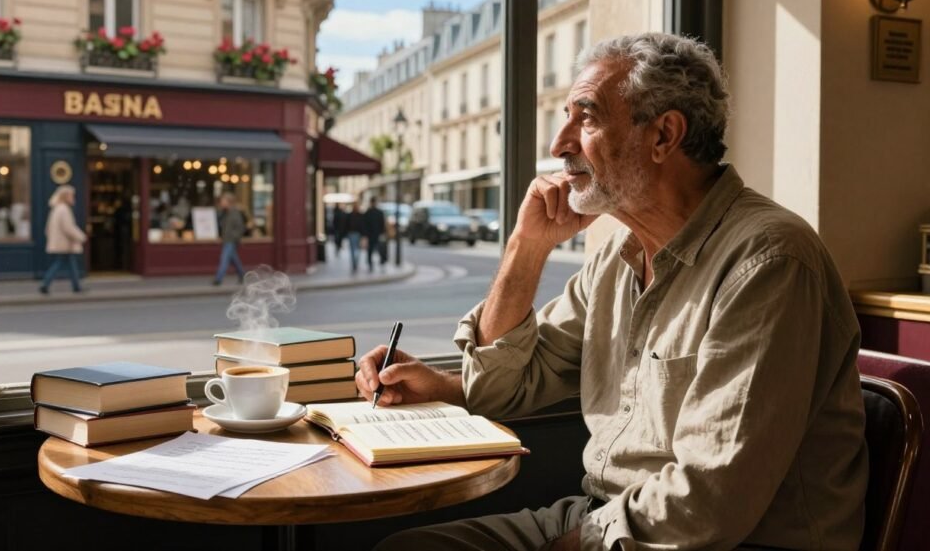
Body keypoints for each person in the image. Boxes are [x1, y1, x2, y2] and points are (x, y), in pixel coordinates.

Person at [357, 32, 867, 550]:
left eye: (586, 117)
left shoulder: (768, 261)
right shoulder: (616, 259)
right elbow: (502, 389)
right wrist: (525, 249)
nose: (559, 146)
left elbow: (709, 501)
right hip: (606, 517)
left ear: (664, 135)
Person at [39, 185, 86, 294]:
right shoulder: (63, 209)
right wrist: (81, 236)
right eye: (71, 195)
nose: (73, 197)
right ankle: (46, 284)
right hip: (64, 243)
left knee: (68, 263)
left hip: (61, 242)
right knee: (61, 263)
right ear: (65, 196)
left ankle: (75, 286)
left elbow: (48, 228)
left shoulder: (56, 209)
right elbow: (68, 227)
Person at [212, 192, 247, 285]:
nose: (221, 203)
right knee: (234, 259)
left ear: (229, 202)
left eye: (223, 201)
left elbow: (240, 228)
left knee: (224, 259)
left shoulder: (235, 213)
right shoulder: (224, 213)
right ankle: (242, 275)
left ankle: (218, 279)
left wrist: (234, 237)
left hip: (231, 240)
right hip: (226, 239)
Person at [362, 196, 388, 272]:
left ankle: (371, 264)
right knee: (379, 250)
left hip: (371, 235)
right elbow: (383, 225)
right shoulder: (379, 213)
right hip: (376, 235)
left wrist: (365, 234)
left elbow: (364, 225)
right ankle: (380, 262)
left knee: (371, 251)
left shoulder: (368, 213)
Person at [345, 201, 364, 273]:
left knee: (356, 250)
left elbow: (363, 226)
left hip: (357, 234)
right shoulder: (350, 215)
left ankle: (355, 263)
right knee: (354, 250)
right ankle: (354, 264)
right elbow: (346, 225)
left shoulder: (360, 215)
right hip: (352, 234)